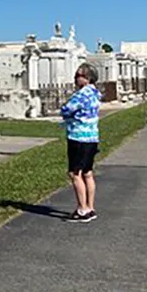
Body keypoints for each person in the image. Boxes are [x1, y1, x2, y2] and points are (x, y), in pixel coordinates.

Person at [60, 63, 101, 223]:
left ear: (87, 77)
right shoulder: (95, 94)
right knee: (88, 172)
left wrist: (65, 111)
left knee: (74, 173)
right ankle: (90, 207)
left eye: (79, 75)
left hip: (78, 137)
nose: (76, 78)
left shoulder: (81, 95)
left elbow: (67, 109)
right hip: (92, 137)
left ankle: (82, 209)